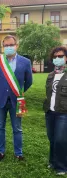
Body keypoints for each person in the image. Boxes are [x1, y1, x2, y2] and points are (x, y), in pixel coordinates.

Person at [0, 35, 33, 161]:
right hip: (0, 98)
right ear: (3, 47)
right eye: (6, 45)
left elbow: (29, 81)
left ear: (16, 45)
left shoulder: (26, 62)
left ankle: (18, 153)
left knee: (17, 128)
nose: (9, 47)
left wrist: (19, 92)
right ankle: (0, 151)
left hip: (18, 100)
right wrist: (1, 89)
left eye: (11, 45)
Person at [43, 46, 67, 175]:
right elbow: (49, 94)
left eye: (61, 56)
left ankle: (62, 167)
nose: (58, 59)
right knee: (52, 139)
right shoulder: (51, 75)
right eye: (55, 57)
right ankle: (52, 162)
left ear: (66, 58)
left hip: (63, 113)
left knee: (60, 140)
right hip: (50, 112)